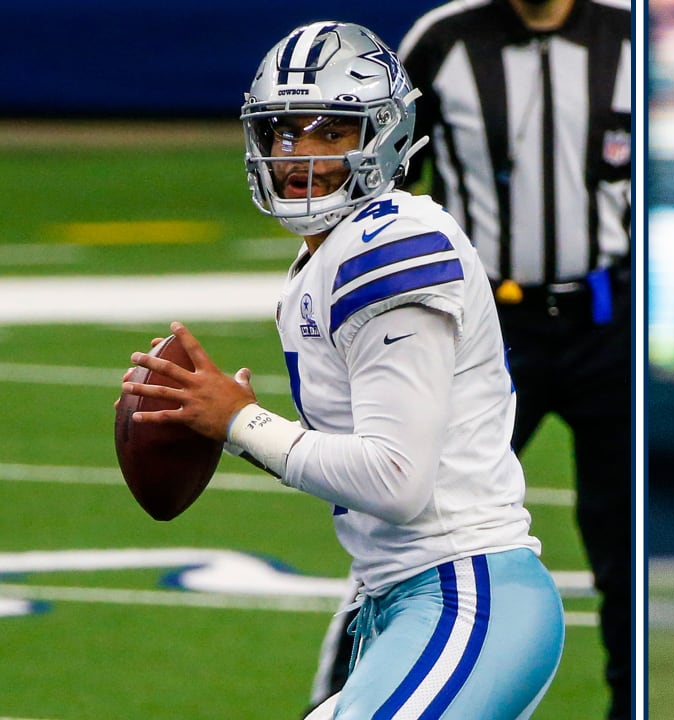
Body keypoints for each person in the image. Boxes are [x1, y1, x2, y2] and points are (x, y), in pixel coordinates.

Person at [120, 21, 564, 719]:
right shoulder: (326, 260)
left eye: (330, 132)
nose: (298, 155)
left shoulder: (392, 246)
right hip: (402, 603)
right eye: (283, 132)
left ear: (382, 137)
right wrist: (226, 422)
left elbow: (396, 480)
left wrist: (240, 421)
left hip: (466, 598)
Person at [308, 1, 635, 717]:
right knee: (405, 531)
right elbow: (382, 172)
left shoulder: (627, 36)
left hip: (607, 325)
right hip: (484, 328)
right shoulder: (445, 38)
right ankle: (342, 699)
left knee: (624, 553)